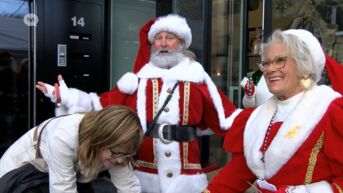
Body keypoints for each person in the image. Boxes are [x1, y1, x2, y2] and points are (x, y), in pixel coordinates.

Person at [36, 14, 239, 193]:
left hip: (186, 171)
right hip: (144, 166)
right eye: (158, 39)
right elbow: (104, 103)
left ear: (182, 43)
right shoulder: (139, 79)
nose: (163, 43)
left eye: (169, 38)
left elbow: (225, 114)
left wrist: (258, 124)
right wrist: (67, 97)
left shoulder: (197, 77)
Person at [203, 29, 343, 193]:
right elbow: (236, 174)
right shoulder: (258, 117)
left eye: (280, 61)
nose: (269, 69)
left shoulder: (329, 110)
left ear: (303, 63)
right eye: (266, 63)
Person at [0, 105, 143, 193]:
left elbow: (129, 187)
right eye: (116, 153)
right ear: (101, 140)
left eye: (126, 154)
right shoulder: (63, 136)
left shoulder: (118, 148)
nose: (120, 160)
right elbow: (63, 189)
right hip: (24, 170)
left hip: (65, 171)